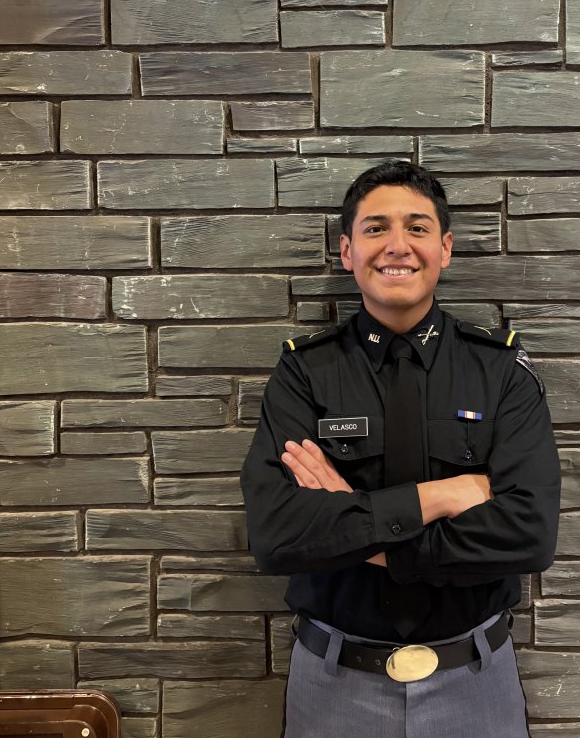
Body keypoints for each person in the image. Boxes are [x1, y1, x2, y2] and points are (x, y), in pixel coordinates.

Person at [240, 161, 561, 738]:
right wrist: (446, 495)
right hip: (334, 683)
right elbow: (277, 533)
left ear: (445, 248)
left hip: (475, 680)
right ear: (347, 251)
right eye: (375, 228)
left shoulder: (501, 371)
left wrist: (360, 531)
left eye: (417, 228)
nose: (397, 246)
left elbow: (529, 533)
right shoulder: (305, 373)